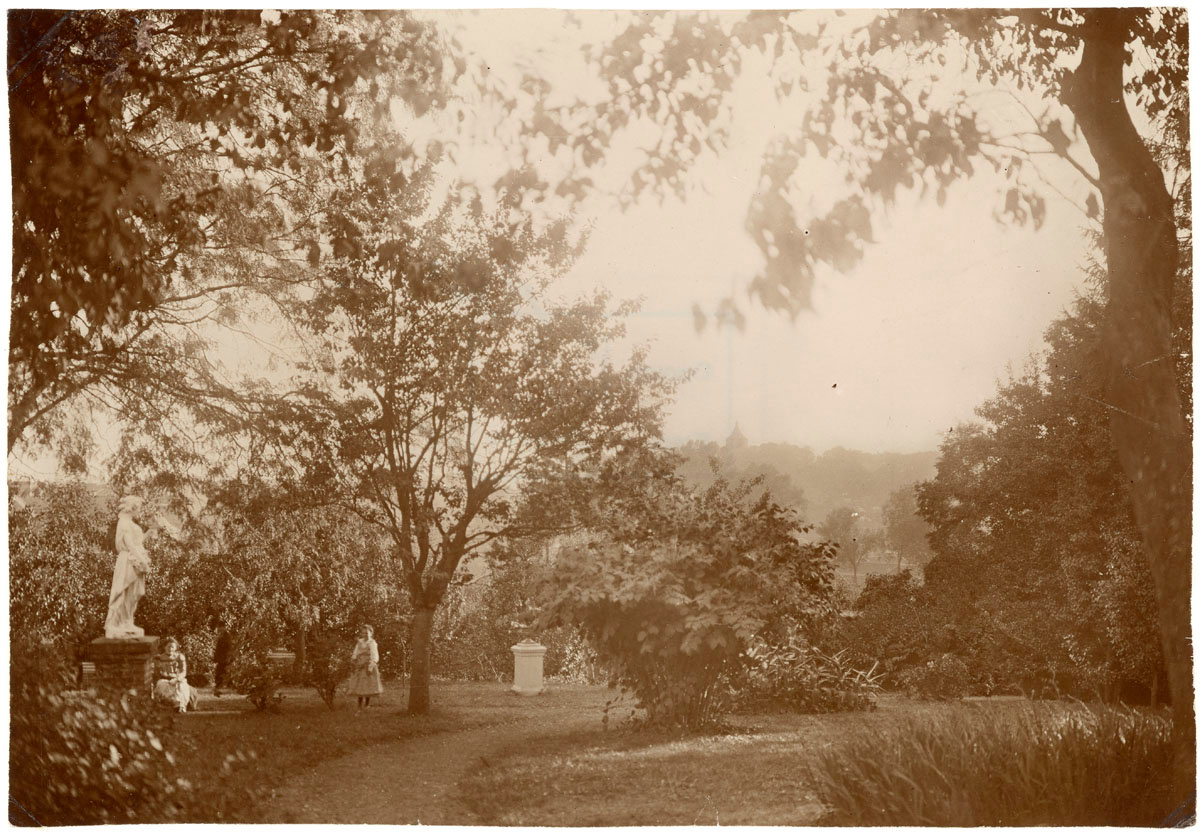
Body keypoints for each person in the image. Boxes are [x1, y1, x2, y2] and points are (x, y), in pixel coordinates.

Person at [105, 496, 150, 639]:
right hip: (128, 561)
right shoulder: (124, 522)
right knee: (127, 591)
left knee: (136, 592)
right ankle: (122, 622)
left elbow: (137, 542)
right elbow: (129, 544)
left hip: (134, 560)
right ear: (133, 508)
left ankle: (127, 620)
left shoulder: (129, 522)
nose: (140, 511)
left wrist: (149, 533)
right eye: (139, 508)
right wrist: (143, 560)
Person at [153, 637, 198, 713]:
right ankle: (165, 706)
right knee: (162, 685)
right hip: (164, 679)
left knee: (181, 686)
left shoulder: (179, 657)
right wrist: (163, 676)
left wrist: (177, 679)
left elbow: (183, 671)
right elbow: (156, 672)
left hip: (177, 678)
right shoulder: (159, 658)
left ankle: (181, 706)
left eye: (172, 647)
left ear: (175, 648)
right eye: (168, 647)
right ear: (164, 647)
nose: (170, 649)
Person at [347, 625, 382, 709]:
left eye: (367, 633)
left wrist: (371, 665)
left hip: (367, 665)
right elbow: (356, 652)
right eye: (363, 633)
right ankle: (359, 704)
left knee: (367, 684)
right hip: (359, 665)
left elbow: (374, 655)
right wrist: (354, 659)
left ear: (371, 633)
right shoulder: (359, 642)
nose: (365, 635)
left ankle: (367, 704)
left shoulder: (372, 643)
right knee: (360, 684)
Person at [212, 622, 232, 697]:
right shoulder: (221, 636)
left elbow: (229, 648)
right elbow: (218, 649)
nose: (219, 629)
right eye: (219, 627)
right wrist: (215, 658)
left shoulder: (227, 636)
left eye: (220, 627)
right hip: (221, 659)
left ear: (224, 627)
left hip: (225, 658)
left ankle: (219, 689)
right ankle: (218, 689)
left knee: (222, 673)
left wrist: (228, 658)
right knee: (219, 673)